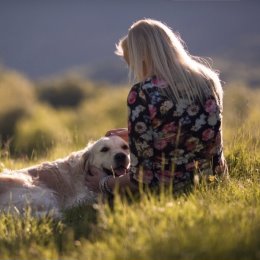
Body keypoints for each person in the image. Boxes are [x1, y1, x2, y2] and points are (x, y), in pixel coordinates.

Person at [85, 18, 228, 195]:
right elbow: (200, 135)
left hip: (166, 190)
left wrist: (104, 183)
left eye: (130, 61)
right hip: (212, 181)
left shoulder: (142, 93)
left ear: (141, 57)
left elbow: (141, 179)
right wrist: (134, 136)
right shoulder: (208, 80)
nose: (132, 68)